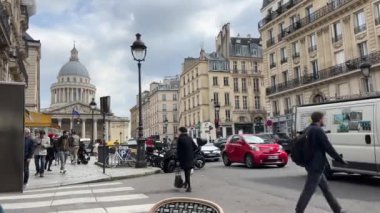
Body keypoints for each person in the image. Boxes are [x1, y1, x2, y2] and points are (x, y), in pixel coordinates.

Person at [295, 111, 348, 213]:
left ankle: (337, 209)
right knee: (308, 190)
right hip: (316, 166)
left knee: (326, 189)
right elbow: (328, 147)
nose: (325, 120)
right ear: (319, 119)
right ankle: (298, 211)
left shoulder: (308, 129)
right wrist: (339, 159)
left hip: (310, 164)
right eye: (324, 118)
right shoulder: (318, 131)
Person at [176, 127, 196, 192]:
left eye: (178, 131)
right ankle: (186, 183)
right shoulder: (189, 138)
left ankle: (189, 187)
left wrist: (178, 159)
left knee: (186, 172)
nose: (178, 132)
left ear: (181, 132)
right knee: (187, 172)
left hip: (183, 158)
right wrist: (190, 152)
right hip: (190, 157)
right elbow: (195, 147)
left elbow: (178, 150)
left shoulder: (180, 139)